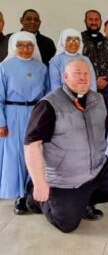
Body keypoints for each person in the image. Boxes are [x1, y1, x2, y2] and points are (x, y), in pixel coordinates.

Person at [24, 59, 108, 233]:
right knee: (67, 224)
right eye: (77, 74)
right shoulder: (49, 105)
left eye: (86, 74)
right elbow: (32, 145)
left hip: (96, 168)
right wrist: (39, 183)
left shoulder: (98, 98)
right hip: (65, 177)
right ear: (65, 77)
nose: (82, 78)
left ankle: (85, 200)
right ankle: (35, 198)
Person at [0, 31, 48, 214]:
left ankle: (35, 194)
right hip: (13, 115)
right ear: (14, 46)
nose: (25, 49)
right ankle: (19, 196)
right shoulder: (4, 67)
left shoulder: (42, 68)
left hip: (36, 113)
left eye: (29, 45)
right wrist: (1, 122)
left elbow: (47, 94)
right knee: (17, 155)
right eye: (21, 45)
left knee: (38, 153)